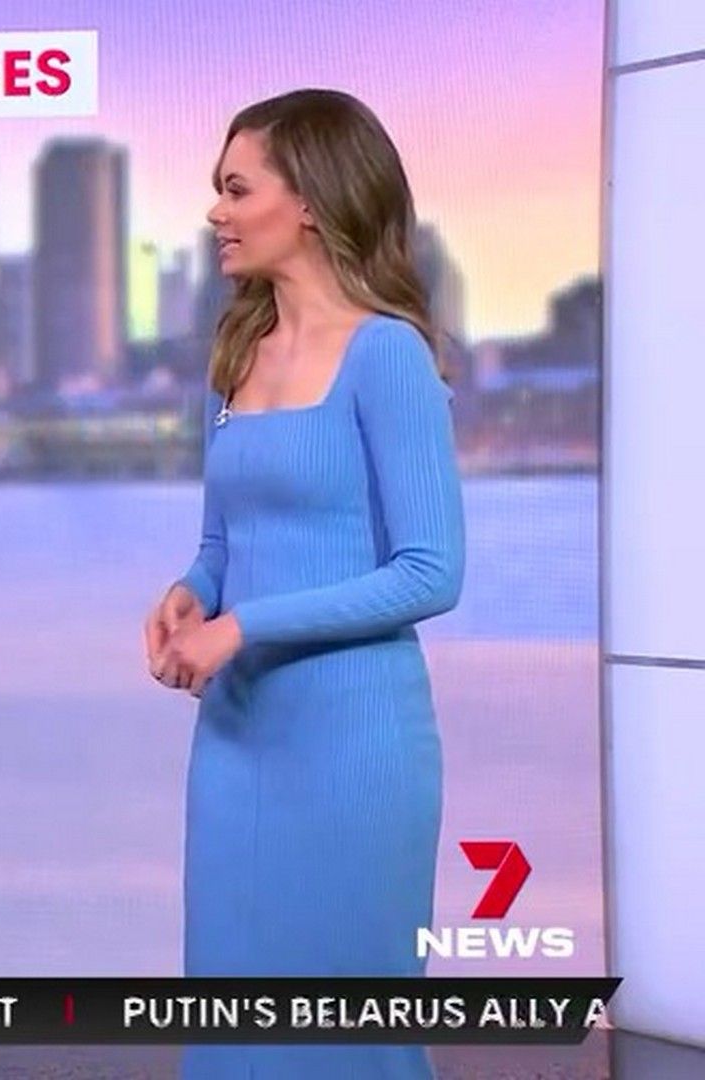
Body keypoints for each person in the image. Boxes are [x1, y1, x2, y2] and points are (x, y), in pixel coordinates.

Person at [143, 88, 466, 1079]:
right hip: (238, 745)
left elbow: (431, 572)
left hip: (352, 746)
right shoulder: (235, 356)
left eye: (238, 189)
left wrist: (243, 627)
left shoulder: (387, 355)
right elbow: (223, 540)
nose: (217, 212)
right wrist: (192, 592)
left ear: (314, 201)